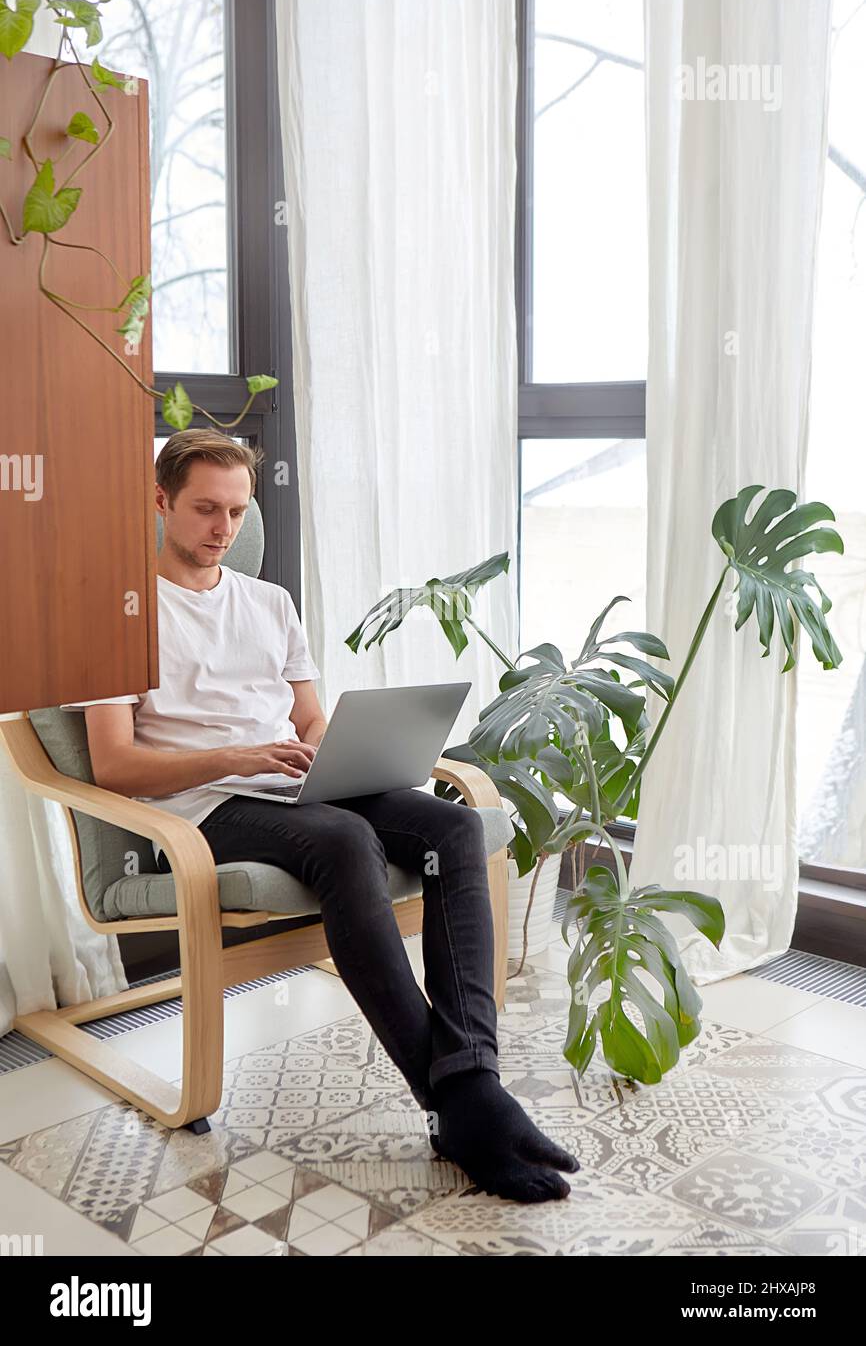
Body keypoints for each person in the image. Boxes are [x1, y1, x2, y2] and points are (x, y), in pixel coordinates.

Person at [65, 429, 580, 1204]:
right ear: (161, 500)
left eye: (238, 511)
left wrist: (346, 753)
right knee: (345, 840)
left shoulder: (269, 602)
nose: (224, 529)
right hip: (204, 804)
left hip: (289, 783)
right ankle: (465, 1108)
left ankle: (472, 1079)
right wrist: (235, 758)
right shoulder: (116, 612)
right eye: (206, 509)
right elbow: (114, 764)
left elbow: (307, 722)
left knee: (453, 826)